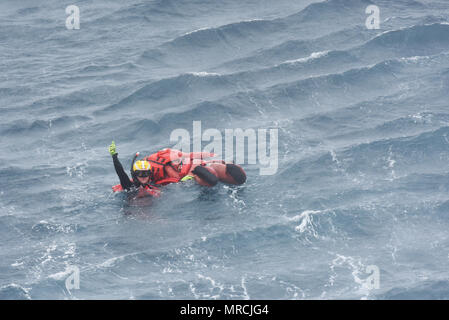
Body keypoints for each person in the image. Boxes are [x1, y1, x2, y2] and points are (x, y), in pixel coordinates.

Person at [109, 141, 246, 193]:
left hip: (171, 160)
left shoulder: (218, 161)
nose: (143, 177)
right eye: (141, 175)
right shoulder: (212, 171)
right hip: (168, 166)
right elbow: (121, 175)